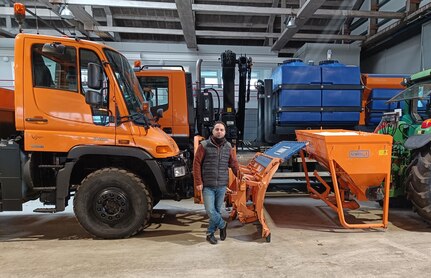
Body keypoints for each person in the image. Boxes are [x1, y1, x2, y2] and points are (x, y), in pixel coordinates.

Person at [193, 121, 239, 245]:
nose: (219, 131)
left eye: (221, 130)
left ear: (224, 132)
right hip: (207, 185)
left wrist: (240, 176)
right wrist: (198, 181)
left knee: (217, 211)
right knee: (210, 210)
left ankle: (210, 233)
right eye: (217, 129)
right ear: (212, 131)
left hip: (222, 185)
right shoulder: (204, 145)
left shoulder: (228, 147)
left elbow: (233, 164)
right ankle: (223, 225)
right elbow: (196, 164)